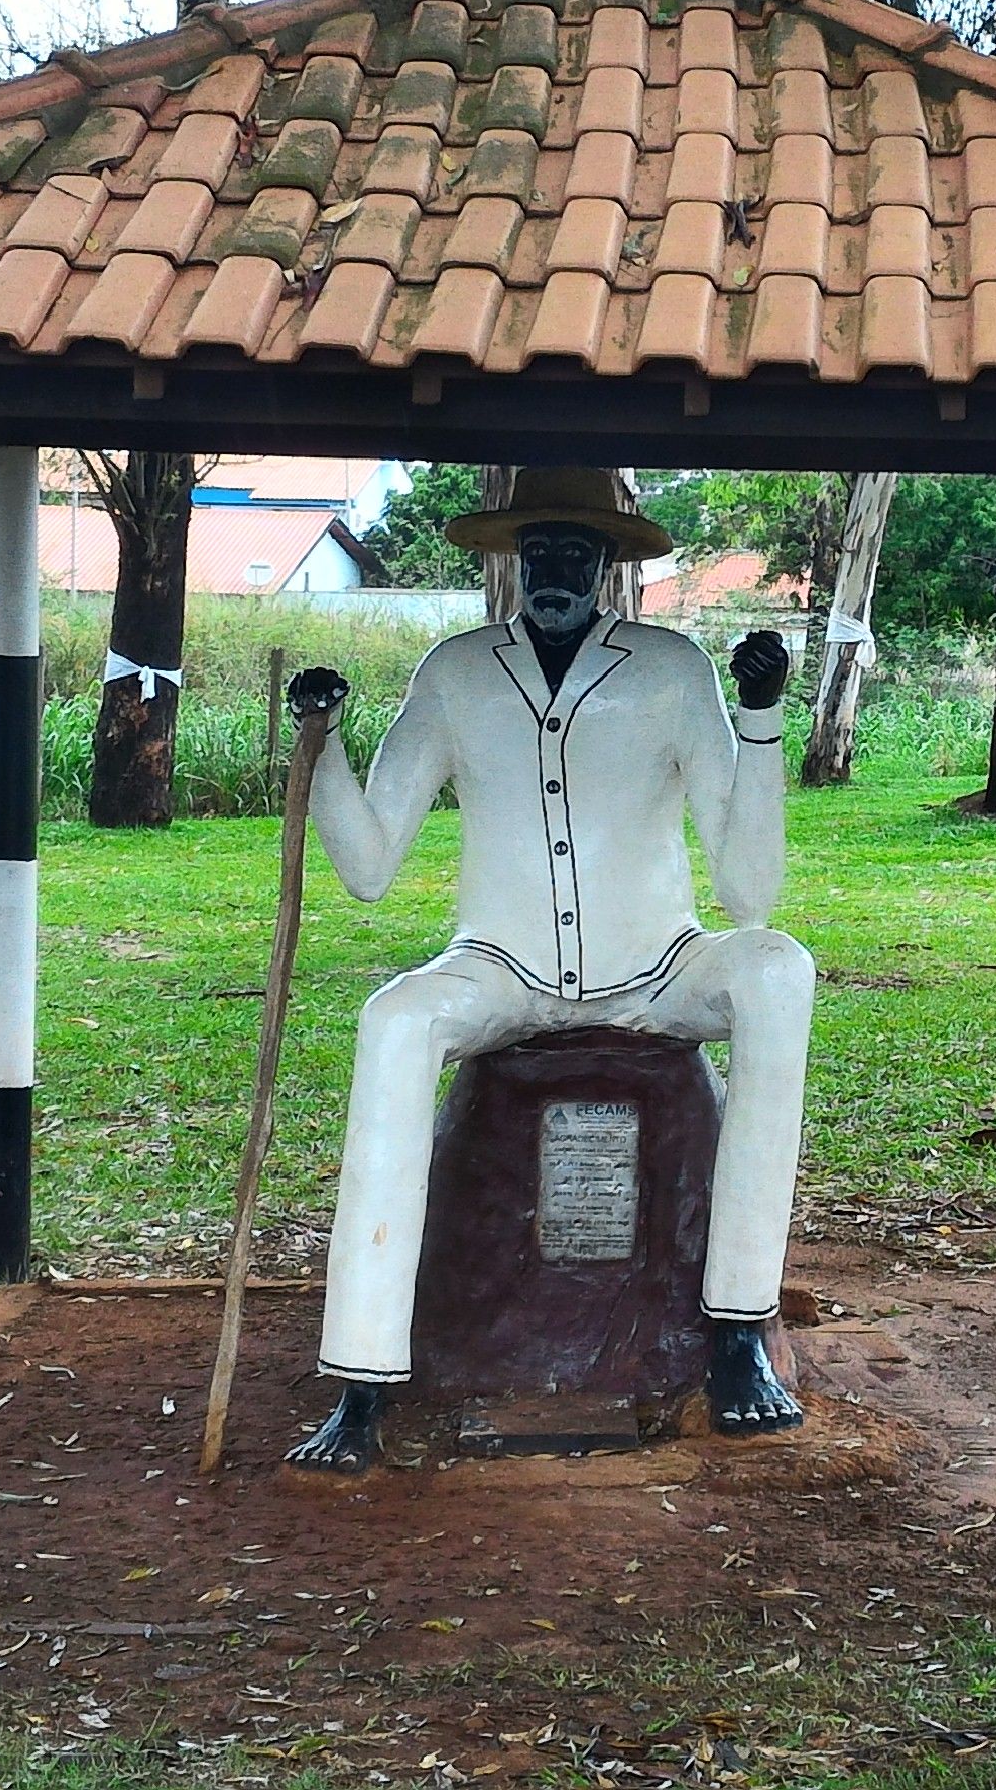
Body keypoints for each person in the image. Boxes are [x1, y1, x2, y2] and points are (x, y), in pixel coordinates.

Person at [278, 467, 810, 1472]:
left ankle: (737, 1330)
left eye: (578, 551)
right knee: (393, 1024)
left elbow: (748, 895)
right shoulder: (457, 671)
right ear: (512, 562)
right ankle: (361, 1378)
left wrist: (761, 720)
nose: (557, 570)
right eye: (539, 552)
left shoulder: (669, 669)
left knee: (776, 969)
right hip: (502, 963)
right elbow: (366, 867)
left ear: (610, 566)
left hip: (657, 966)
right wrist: (327, 743)